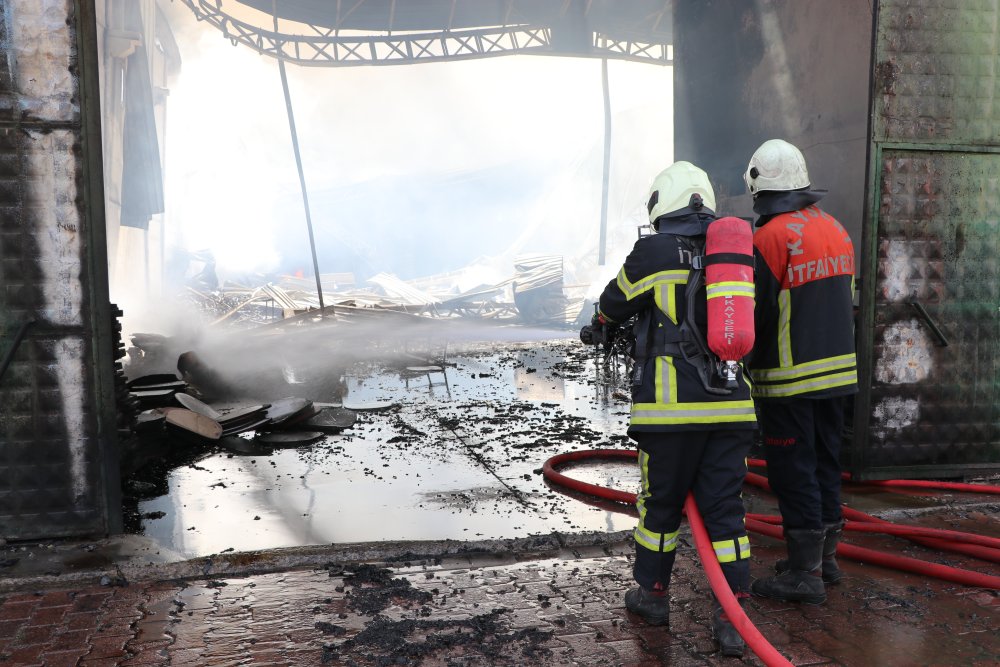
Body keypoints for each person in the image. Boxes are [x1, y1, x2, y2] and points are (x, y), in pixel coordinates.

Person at [592, 161, 757, 657]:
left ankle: (652, 595)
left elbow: (613, 304)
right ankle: (733, 620)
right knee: (726, 515)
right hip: (731, 410)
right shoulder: (734, 252)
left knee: (660, 509)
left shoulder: (654, 251)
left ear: (662, 205)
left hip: (669, 415)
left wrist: (598, 323)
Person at [743, 139, 858, 604]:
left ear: (759, 188)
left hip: (789, 380)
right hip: (838, 376)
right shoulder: (835, 228)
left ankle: (804, 576)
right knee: (828, 463)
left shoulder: (769, 238)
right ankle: (824, 561)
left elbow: (755, 313)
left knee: (794, 471)